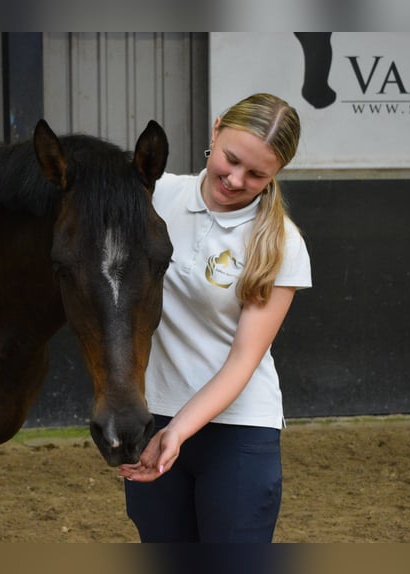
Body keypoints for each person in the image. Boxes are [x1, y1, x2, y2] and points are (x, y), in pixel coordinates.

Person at [119, 92, 312, 543]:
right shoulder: (154, 195)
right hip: (154, 418)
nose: (235, 179)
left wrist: (179, 430)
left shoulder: (281, 242)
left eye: (257, 174)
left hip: (238, 430)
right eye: (231, 159)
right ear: (216, 129)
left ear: (277, 173)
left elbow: (244, 361)